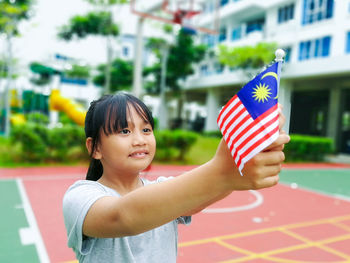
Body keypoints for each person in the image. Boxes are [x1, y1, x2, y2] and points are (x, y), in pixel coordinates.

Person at [63, 92, 290, 263]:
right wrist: (223, 170)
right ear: (95, 148)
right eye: (124, 131)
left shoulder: (163, 191)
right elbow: (123, 217)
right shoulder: (81, 196)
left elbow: (206, 191)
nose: (140, 139)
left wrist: (238, 165)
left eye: (146, 130)